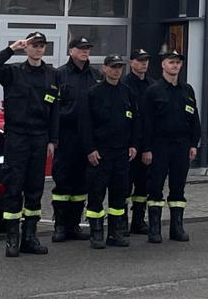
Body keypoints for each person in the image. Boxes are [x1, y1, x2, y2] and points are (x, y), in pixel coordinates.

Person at [0, 31, 57, 257]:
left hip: (39, 137)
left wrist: (53, 140)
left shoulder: (52, 75)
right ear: (27, 48)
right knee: (13, 187)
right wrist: (11, 49)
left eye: (42, 46)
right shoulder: (13, 72)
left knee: (34, 190)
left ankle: (30, 237)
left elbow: (54, 111)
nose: (38, 49)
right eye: (34, 45)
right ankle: (12, 239)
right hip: (17, 137)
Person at [140, 50, 199, 243]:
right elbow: (146, 122)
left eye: (178, 63)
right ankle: (155, 228)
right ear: (163, 65)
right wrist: (146, 148)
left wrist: (194, 143)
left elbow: (194, 119)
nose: (175, 66)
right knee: (155, 186)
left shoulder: (187, 89)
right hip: (159, 145)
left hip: (181, 146)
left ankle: (177, 228)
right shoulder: (153, 90)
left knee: (178, 187)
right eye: (171, 62)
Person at [82, 55, 140, 249]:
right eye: (113, 67)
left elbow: (135, 122)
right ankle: (96, 233)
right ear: (104, 69)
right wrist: (90, 149)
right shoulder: (94, 93)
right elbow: (85, 124)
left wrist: (133, 145)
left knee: (119, 194)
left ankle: (115, 233)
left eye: (119, 67)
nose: (116, 71)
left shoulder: (127, 92)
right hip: (101, 153)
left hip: (122, 152)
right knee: (96, 193)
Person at [51, 36, 100, 242]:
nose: (85, 52)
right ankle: (60, 226)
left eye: (87, 48)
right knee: (63, 182)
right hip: (66, 135)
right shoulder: (59, 75)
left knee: (82, 184)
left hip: (88, 138)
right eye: (81, 48)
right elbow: (52, 107)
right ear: (71, 51)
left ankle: (74, 225)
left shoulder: (96, 75)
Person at [120, 48, 153, 233]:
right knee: (125, 184)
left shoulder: (152, 84)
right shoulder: (124, 85)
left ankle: (138, 220)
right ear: (131, 62)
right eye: (140, 60)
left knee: (143, 185)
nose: (144, 64)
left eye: (146, 60)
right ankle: (122, 222)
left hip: (146, 142)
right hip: (128, 143)